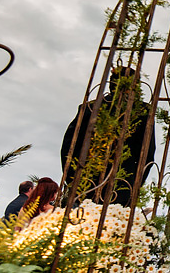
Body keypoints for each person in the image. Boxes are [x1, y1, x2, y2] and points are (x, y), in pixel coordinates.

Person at [60, 66, 156, 207]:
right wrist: (134, 185)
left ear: (111, 83)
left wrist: (73, 179)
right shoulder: (143, 112)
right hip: (122, 186)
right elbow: (147, 154)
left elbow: (69, 147)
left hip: (85, 185)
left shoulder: (89, 108)